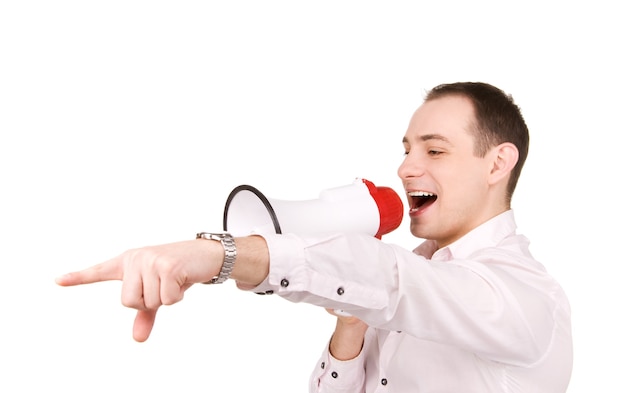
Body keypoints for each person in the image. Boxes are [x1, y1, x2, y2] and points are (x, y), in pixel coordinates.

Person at [56, 82, 573, 392]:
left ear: (498, 162)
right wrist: (350, 329)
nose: (405, 167)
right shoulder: (408, 279)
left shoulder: (523, 296)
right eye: (407, 148)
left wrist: (222, 254)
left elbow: (392, 279)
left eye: (434, 151)